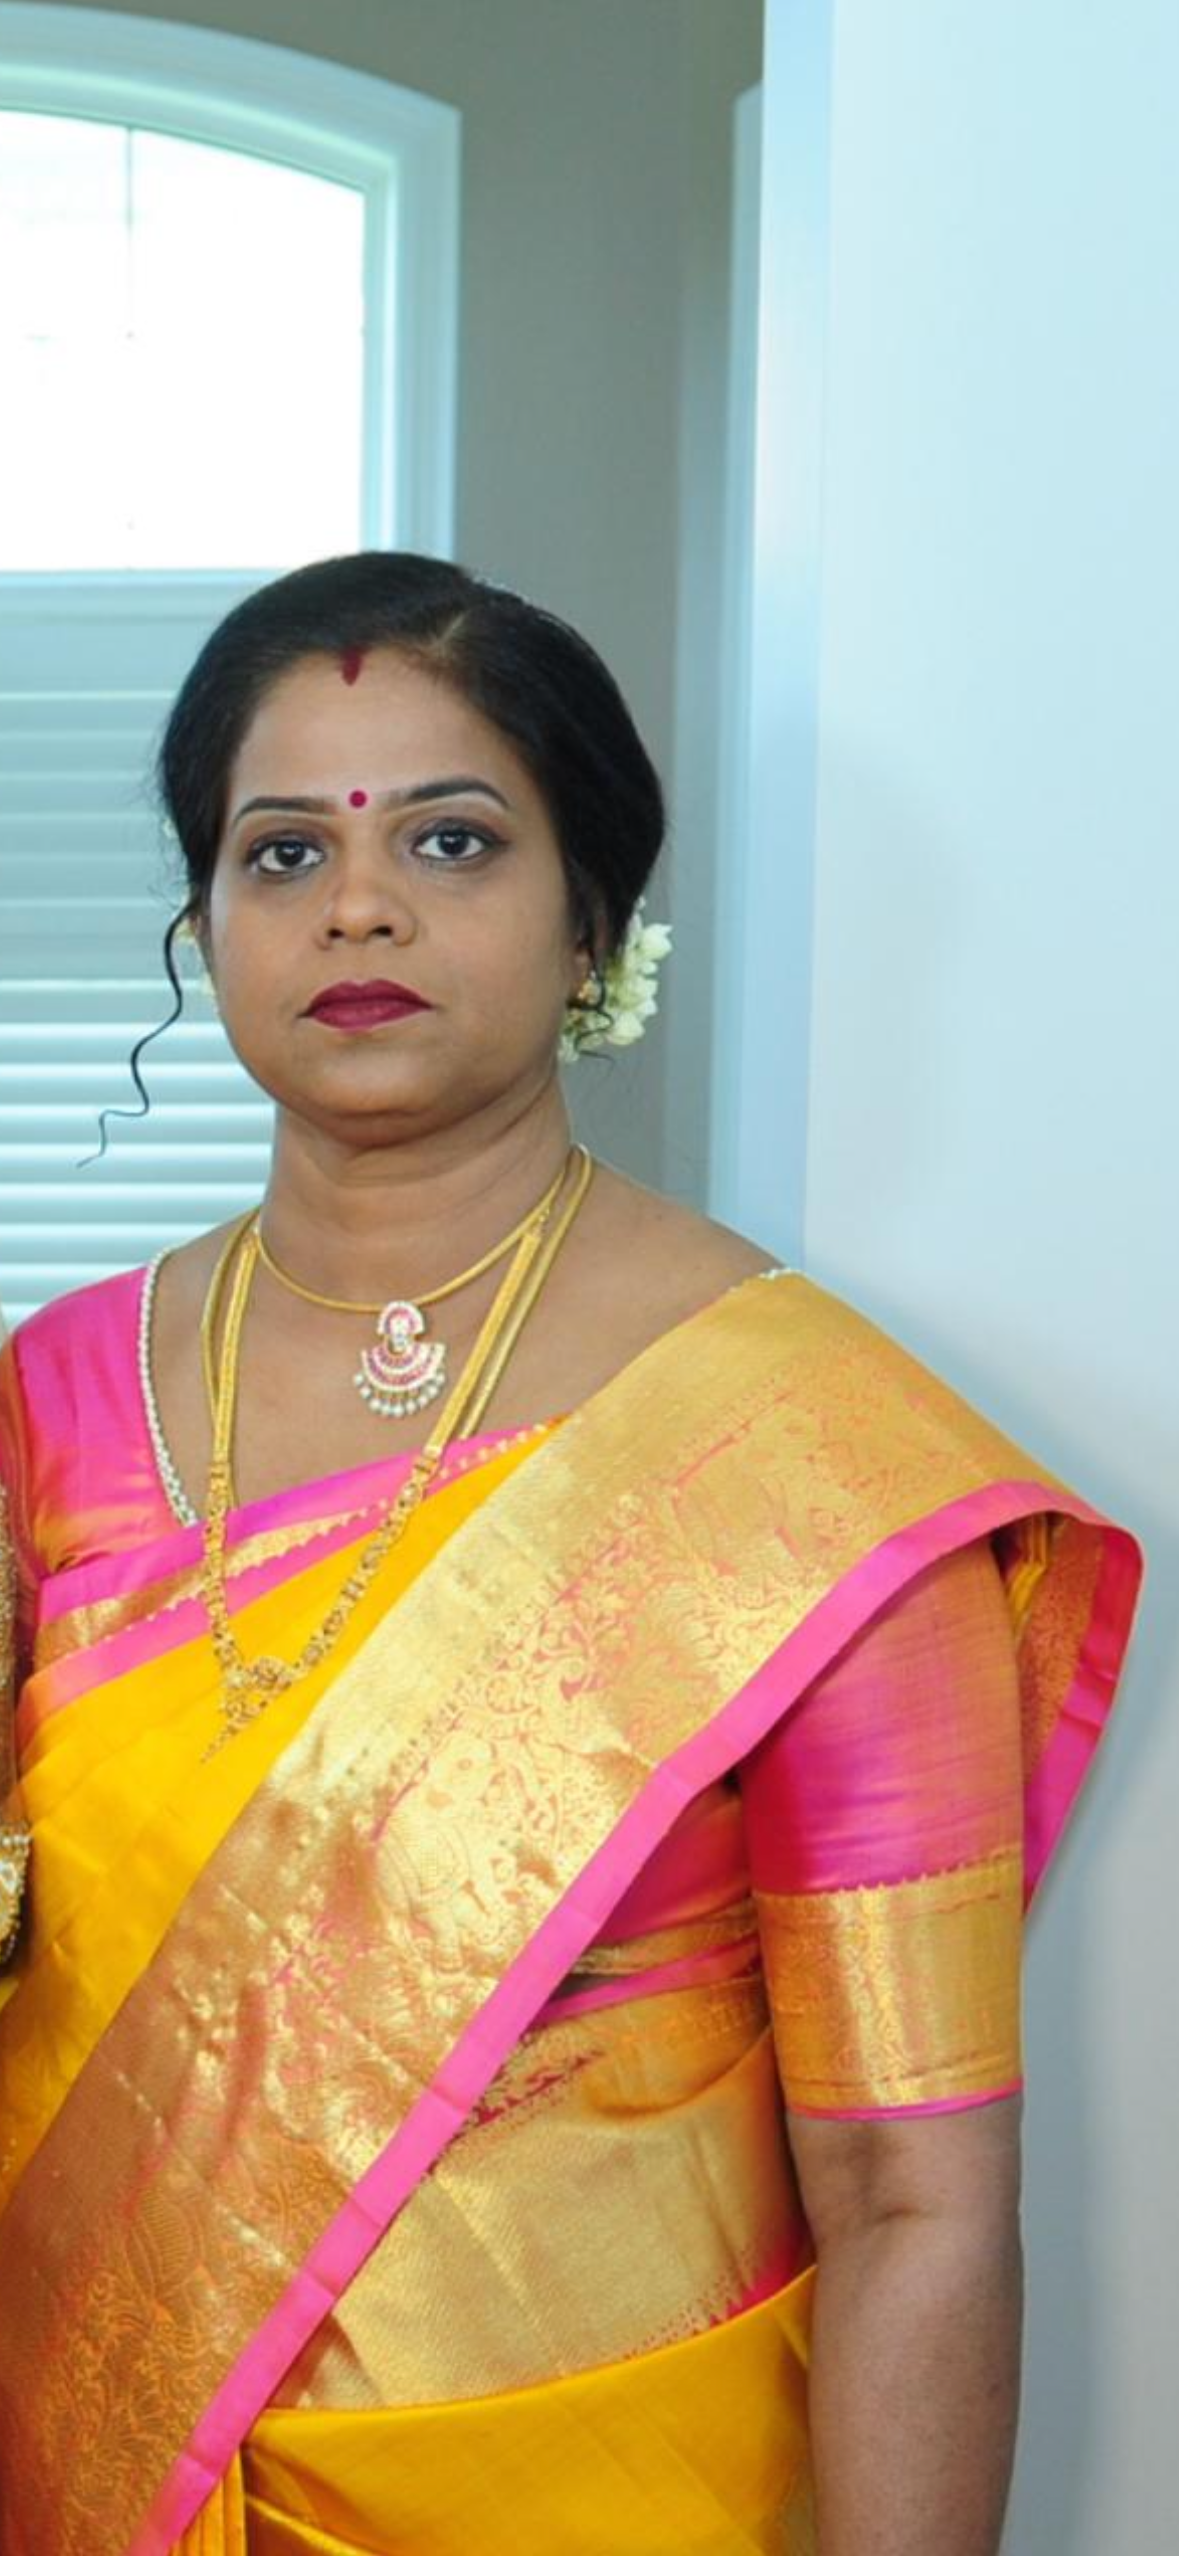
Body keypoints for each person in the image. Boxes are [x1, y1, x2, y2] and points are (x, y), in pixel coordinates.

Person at [0, 554, 1141, 2556]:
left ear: (592, 917)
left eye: (450, 839)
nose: (359, 906)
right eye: (283, 851)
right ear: (205, 923)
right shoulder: (57, 1402)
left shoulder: (798, 1457)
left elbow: (914, 2201)